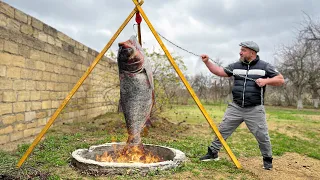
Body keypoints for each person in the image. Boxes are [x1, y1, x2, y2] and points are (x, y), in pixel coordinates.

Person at [199, 41, 284, 170]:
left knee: (262, 135)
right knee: (222, 130)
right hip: (236, 107)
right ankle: (213, 153)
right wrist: (207, 62)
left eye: (243, 50)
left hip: (255, 108)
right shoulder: (236, 66)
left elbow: (280, 79)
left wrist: (266, 80)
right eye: (241, 49)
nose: (240, 52)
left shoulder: (265, 66)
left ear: (252, 52)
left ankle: (267, 160)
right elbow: (220, 71)